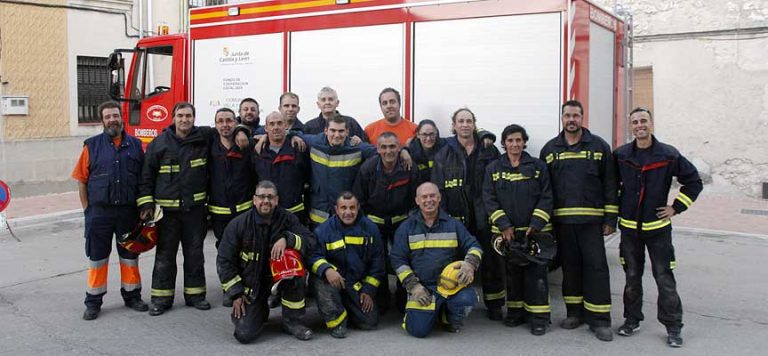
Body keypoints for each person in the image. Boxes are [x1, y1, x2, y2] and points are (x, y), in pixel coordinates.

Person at [613, 107, 702, 348]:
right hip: (630, 231)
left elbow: (693, 182)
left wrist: (676, 207)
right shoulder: (621, 155)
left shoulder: (668, 155)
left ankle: (673, 327)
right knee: (632, 278)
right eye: (635, 122)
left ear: (651, 124)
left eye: (643, 121)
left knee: (664, 278)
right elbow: (610, 187)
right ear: (630, 126)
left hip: (658, 231)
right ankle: (631, 320)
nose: (639, 125)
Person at [539, 100, 619, 341]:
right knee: (570, 269)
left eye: (575, 115)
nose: (571, 120)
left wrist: (610, 220)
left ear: (582, 118)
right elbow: (545, 189)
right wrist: (547, 223)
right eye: (567, 116)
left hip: (591, 222)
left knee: (596, 268)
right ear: (561, 119)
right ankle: (575, 313)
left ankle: (600, 320)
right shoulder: (550, 149)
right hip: (563, 223)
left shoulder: (599, 146)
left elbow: (610, 185)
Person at [71, 101, 148, 320]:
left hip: (128, 213)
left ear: (121, 117)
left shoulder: (135, 145)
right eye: (107, 117)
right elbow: (81, 181)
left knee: (129, 256)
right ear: (102, 120)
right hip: (99, 214)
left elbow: (144, 179)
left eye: (115, 115)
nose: (112, 119)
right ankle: (93, 301)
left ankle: (132, 296)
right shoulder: (91, 146)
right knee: (97, 258)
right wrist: (88, 210)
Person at [137, 102, 215, 316]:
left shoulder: (203, 140)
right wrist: (146, 204)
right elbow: (146, 176)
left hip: (195, 211)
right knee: (165, 256)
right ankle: (161, 299)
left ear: (194, 118)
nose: (184, 120)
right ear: (173, 118)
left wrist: (243, 132)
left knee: (195, 254)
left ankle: (196, 295)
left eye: (188, 116)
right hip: (166, 214)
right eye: (180, 116)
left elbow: (230, 128)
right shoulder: (159, 144)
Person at [217, 180, 316, 343]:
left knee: (296, 274)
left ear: (277, 200)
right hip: (251, 286)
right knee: (244, 335)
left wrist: (288, 239)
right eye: (261, 197)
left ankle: (292, 322)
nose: (266, 201)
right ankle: (260, 310)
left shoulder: (287, 219)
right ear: (254, 200)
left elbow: (310, 241)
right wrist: (236, 293)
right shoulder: (239, 224)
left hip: (280, 279)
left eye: (270, 197)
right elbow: (224, 260)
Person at [430, 108, 503, 320]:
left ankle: (495, 304)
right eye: (460, 121)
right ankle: (454, 305)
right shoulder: (444, 153)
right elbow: (438, 188)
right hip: (456, 217)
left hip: (484, 216)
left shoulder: (489, 150)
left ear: (474, 124)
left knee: (491, 262)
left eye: (468, 121)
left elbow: (499, 182)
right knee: (454, 262)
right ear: (453, 125)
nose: (464, 125)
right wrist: (442, 218)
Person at [482, 124, 554, 335]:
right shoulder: (493, 169)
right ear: (504, 143)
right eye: (510, 140)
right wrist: (503, 225)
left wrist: (536, 224)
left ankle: (539, 318)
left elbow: (547, 196)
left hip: (534, 232)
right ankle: (515, 313)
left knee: (537, 276)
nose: (514, 144)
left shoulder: (538, 166)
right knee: (512, 274)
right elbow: (489, 198)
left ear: (524, 142)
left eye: (518, 140)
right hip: (508, 233)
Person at [390, 182, 483, 337]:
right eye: (424, 197)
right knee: (418, 331)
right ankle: (428, 313)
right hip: (422, 287)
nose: (429, 200)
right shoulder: (406, 227)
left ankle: (449, 317)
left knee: (467, 298)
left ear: (439, 198)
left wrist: (469, 265)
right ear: (417, 200)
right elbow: (398, 260)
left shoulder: (453, 224)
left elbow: (474, 246)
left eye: (432, 196)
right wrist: (414, 287)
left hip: (449, 286)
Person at [353, 131, 418, 311]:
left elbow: (416, 198)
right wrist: (365, 224)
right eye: (384, 147)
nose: (388, 151)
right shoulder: (368, 168)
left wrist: (411, 222)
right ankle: (380, 299)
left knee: (403, 258)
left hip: (402, 222)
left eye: (392, 146)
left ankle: (402, 297)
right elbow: (359, 198)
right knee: (377, 261)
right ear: (378, 149)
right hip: (375, 223)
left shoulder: (409, 167)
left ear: (399, 148)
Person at [308, 191, 385, 338]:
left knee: (370, 322)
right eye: (343, 208)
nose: (348, 212)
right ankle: (336, 322)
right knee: (319, 281)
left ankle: (344, 306)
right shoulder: (324, 230)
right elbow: (312, 256)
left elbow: (378, 263)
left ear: (358, 208)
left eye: (352, 208)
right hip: (331, 280)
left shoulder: (370, 229)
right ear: (336, 209)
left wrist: (368, 290)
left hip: (354, 283)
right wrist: (327, 269)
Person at [304, 115, 399, 226]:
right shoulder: (314, 143)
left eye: (341, 131)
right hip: (318, 215)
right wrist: (294, 137)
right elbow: (294, 135)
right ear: (326, 130)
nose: (336, 135)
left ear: (347, 132)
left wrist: (402, 152)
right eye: (333, 130)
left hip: (345, 214)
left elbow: (383, 151)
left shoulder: (356, 148)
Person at [207, 107, 256, 247]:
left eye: (229, 120)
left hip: (245, 212)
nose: (224, 125)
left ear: (235, 123)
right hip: (219, 214)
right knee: (224, 252)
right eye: (220, 121)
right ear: (215, 125)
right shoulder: (209, 145)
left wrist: (242, 131)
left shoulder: (248, 146)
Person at [253, 111, 310, 224]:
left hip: (295, 214)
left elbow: (309, 177)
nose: (276, 127)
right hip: (267, 215)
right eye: (272, 124)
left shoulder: (299, 148)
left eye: (279, 123)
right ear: (266, 128)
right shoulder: (258, 149)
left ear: (285, 126)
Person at [303, 86, 369, 143]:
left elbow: (366, 145)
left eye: (331, 99)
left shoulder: (351, 123)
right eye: (323, 100)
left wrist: (360, 142)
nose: (327, 102)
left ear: (337, 103)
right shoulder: (309, 127)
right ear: (318, 104)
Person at [408, 120, 447, 185]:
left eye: (431, 134)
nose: (428, 138)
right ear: (418, 135)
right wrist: (404, 150)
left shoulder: (445, 147)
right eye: (424, 134)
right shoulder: (410, 152)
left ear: (436, 133)